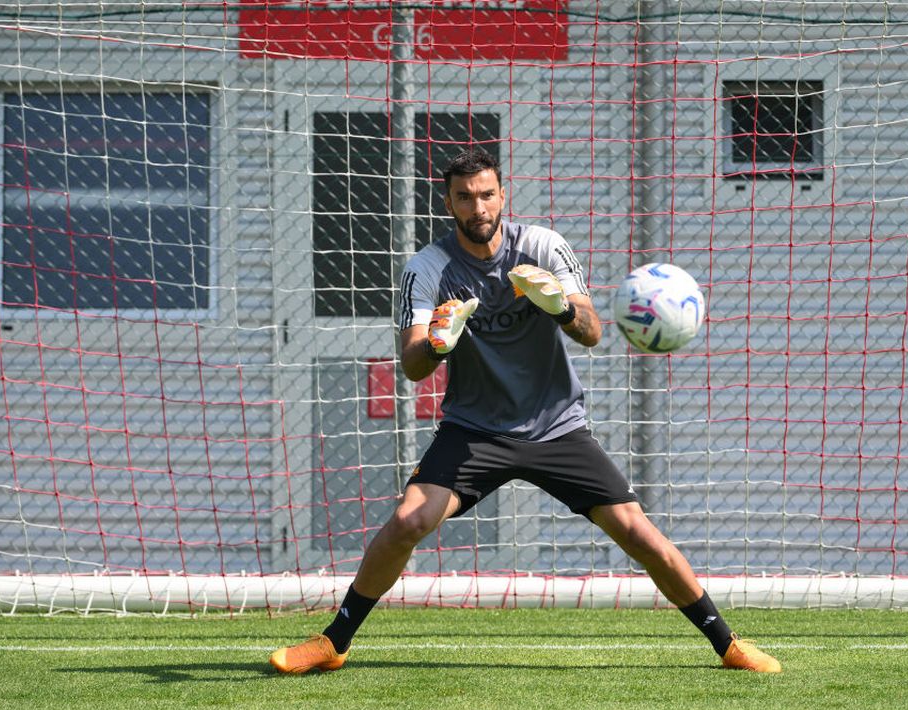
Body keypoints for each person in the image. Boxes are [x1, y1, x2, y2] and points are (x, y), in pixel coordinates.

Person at [269, 148, 781, 674]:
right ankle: (335, 642)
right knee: (407, 520)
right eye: (465, 197)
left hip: (556, 426)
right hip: (475, 430)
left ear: (502, 196)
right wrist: (439, 344)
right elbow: (413, 365)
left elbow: (592, 330)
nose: (478, 206)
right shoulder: (428, 268)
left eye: (487, 194)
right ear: (448, 202)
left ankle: (727, 644)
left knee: (637, 532)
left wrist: (559, 306)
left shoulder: (542, 246)